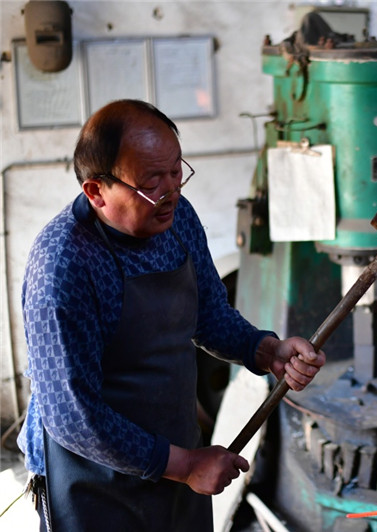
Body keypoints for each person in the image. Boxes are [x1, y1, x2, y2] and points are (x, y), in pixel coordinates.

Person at [16, 99, 326, 532]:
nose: (171, 191)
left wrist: (265, 349)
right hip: (95, 479)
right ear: (96, 191)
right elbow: (72, 416)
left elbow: (209, 315)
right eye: (151, 182)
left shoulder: (177, 219)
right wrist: (183, 465)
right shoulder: (63, 262)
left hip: (176, 452)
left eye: (177, 172)